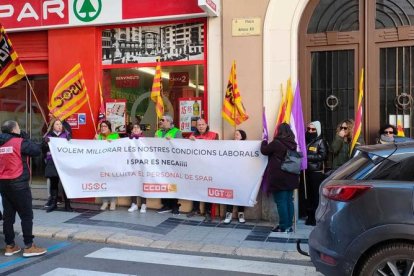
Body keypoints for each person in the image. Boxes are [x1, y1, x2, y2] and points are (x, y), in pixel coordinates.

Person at [0, 120, 47, 257]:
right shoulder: (19, 142)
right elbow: (36, 151)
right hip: (19, 184)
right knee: (26, 215)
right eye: (19, 128)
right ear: (14, 130)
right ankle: (29, 246)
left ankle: (10, 245)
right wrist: (25, 138)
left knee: (8, 216)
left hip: (3, 183)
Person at [260, 123, 299, 233]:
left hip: (279, 177)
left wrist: (264, 140)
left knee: (281, 201)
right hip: (291, 176)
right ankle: (289, 225)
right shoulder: (293, 143)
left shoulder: (277, 143)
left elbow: (264, 150)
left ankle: (283, 226)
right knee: (288, 201)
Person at [186, 118, 219, 222]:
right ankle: (196, 209)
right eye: (199, 125)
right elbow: (186, 149)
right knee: (195, 187)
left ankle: (208, 212)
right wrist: (189, 141)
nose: (200, 126)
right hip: (196, 167)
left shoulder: (214, 135)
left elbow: (218, 149)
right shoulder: (192, 136)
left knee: (208, 189)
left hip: (209, 167)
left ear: (206, 125)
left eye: (202, 124)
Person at [43, 118, 73, 212]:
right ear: (53, 126)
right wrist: (45, 143)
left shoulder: (66, 135)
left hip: (64, 162)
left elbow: (71, 149)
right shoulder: (48, 136)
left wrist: (69, 141)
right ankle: (54, 203)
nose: (59, 126)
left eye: (60, 124)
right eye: (57, 124)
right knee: (54, 183)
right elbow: (42, 149)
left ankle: (67, 204)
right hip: (52, 162)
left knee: (65, 183)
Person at [155, 115, 182, 215]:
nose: (161, 122)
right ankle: (166, 205)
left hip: (173, 163)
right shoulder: (158, 132)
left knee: (173, 184)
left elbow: (181, 145)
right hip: (161, 162)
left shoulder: (177, 132)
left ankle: (175, 205)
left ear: (169, 122)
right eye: (160, 120)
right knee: (163, 182)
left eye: (163, 120)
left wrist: (173, 141)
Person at [303, 121, 328, 226]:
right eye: (308, 129)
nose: (310, 131)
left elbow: (323, 156)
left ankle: (315, 218)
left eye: (313, 129)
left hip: (316, 172)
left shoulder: (321, 141)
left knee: (315, 195)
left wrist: (306, 157)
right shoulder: (304, 140)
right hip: (305, 171)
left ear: (317, 130)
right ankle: (309, 216)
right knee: (307, 195)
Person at [95, 120, 120, 210]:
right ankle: (105, 202)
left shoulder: (115, 135)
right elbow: (92, 149)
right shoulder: (99, 136)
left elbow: (119, 148)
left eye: (105, 126)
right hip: (101, 163)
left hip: (112, 163)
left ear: (109, 127)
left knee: (112, 182)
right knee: (103, 183)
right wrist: (95, 141)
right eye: (101, 126)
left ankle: (113, 202)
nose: (103, 128)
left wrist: (112, 143)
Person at [223, 129, 247, 224]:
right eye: (235, 135)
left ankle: (241, 214)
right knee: (230, 195)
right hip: (231, 174)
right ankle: (228, 215)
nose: (235, 136)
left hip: (242, 175)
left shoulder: (247, 146)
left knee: (241, 194)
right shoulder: (230, 145)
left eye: (237, 134)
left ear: (242, 136)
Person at [127, 123, 147, 213]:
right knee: (133, 183)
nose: (135, 129)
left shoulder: (145, 140)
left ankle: (143, 204)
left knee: (143, 183)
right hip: (132, 165)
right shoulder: (127, 140)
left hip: (142, 165)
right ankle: (134, 204)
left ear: (141, 130)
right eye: (133, 128)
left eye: (137, 127)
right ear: (131, 130)